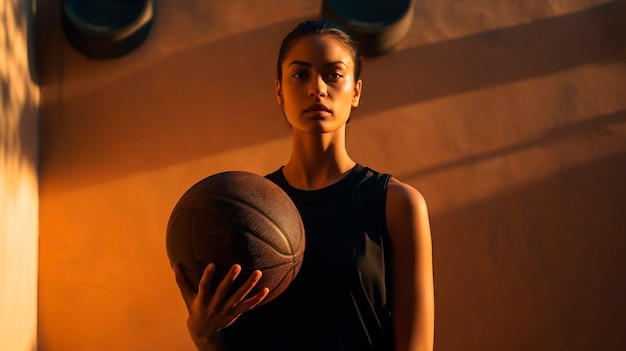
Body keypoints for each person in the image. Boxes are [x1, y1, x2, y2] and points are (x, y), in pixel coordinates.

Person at [174, 19, 434, 351]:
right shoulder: (242, 211)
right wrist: (204, 334)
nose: (317, 88)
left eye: (334, 74)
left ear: (355, 91)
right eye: (300, 75)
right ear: (280, 91)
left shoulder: (397, 204)